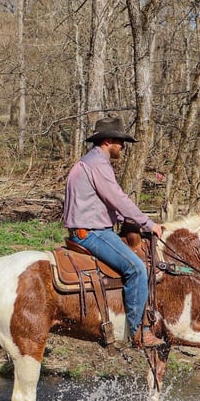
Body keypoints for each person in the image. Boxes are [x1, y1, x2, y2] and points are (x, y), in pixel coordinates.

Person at [62, 116, 165, 349]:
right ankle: (139, 331)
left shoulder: (89, 162)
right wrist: (148, 224)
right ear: (108, 141)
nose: (123, 146)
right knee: (137, 268)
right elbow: (117, 198)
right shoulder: (98, 164)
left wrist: (126, 219)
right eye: (120, 141)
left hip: (88, 227)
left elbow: (101, 202)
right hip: (92, 232)